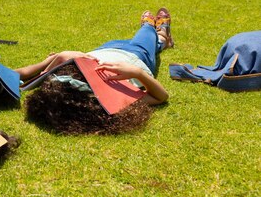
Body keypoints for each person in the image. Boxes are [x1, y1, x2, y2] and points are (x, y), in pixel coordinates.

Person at [24, 8, 174, 134]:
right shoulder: (110, 101)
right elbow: (161, 97)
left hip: (104, 49)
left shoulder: (59, 89)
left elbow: (35, 75)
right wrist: (136, 72)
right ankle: (160, 33)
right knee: (147, 33)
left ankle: (162, 41)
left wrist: (52, 61)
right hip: (137, 55)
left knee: (148, 41)